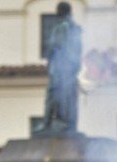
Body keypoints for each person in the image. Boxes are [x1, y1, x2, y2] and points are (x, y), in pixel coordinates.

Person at [40, 1, 82, 133]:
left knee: (53, 95)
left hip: (61, 67)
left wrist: (51, 62)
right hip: (70, 68)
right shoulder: (74, 28)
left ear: (60, 12)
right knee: (68, 97)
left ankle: (50, 123)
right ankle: (67, 123)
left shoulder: (62, 26)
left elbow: (56, 46)